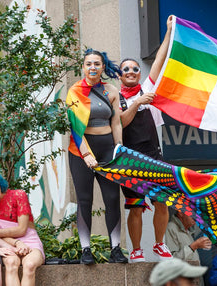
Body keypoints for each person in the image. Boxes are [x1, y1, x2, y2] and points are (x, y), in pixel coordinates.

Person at [119, 15, 173, 262]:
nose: (131, 71)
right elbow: (121, 122)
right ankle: (137, 248)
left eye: (135, 68)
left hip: (154, 155)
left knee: (162, 202)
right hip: (129, 160)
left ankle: (160, 244)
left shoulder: (149, 88)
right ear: (120, 75)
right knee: (136, 206)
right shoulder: (115, 97)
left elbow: (160, 62)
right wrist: (137, 103)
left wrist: (169, 32)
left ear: (140, 73)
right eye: (126, 69)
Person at [66, 48, 126, 264]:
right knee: (85, 200)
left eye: (96, 64)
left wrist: (119, 148)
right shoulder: (75, 91)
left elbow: (116, 122)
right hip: (81, 150)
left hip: (108, 149)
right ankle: (85, 250)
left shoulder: (111, 90)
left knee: (112, 198)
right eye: (88, 64)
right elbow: (75, 128)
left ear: (102, 67)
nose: (92, 67)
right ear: (83, 67)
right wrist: (86, 154)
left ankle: (116, 249)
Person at [0, 168, 45, 286]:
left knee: (29, 265)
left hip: (31, 241)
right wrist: (16, 243)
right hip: (8, 244)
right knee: (11, 263)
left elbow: (21, 230)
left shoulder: (18, 195)